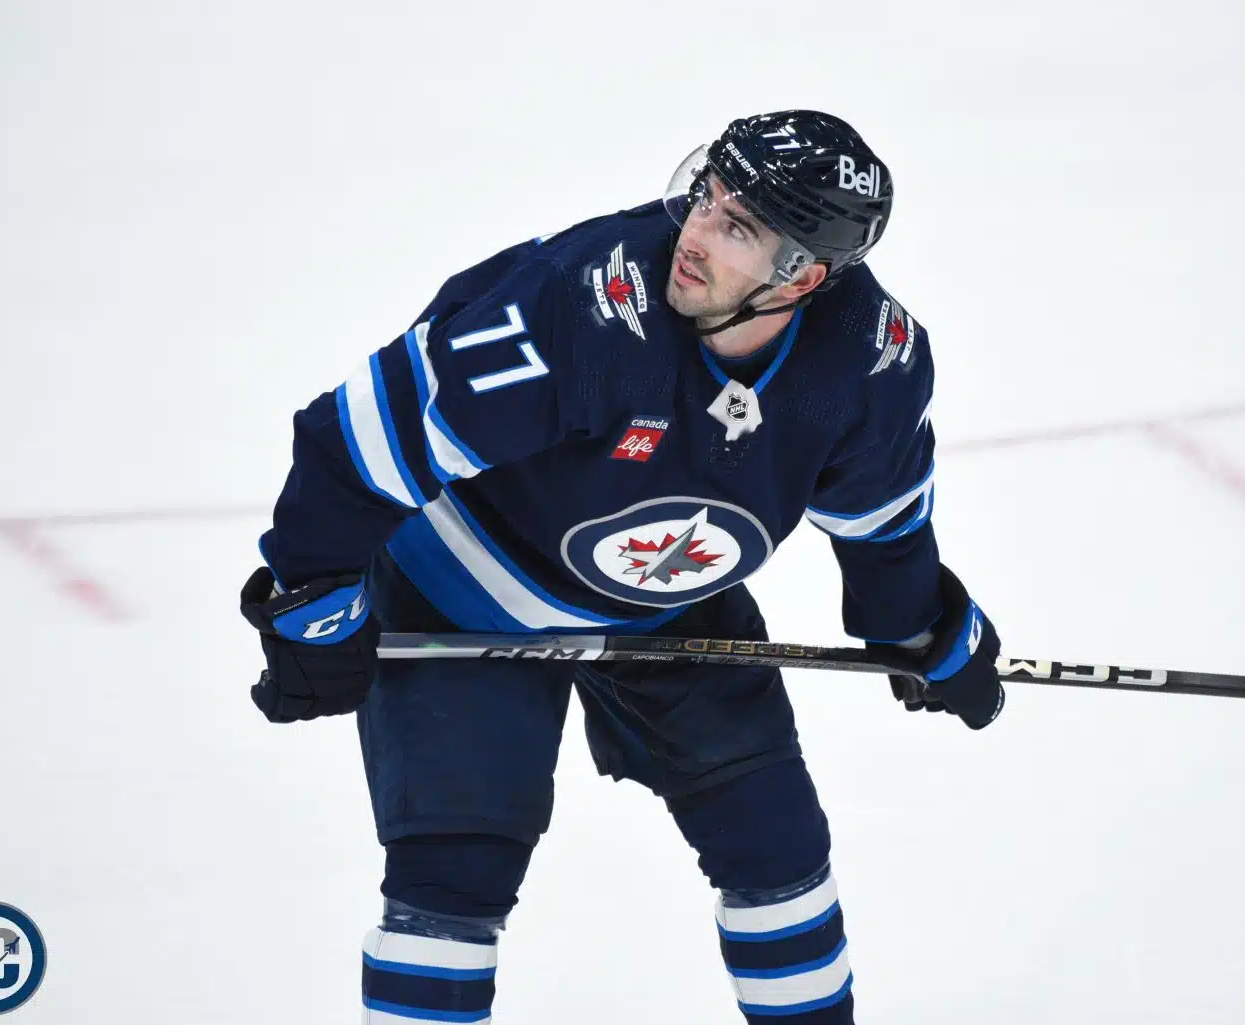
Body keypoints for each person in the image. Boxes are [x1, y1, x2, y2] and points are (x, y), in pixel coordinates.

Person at [240, 110, 1003, 1024]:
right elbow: (353, 442)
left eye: (738, 226)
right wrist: (313, 601)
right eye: (707, 194)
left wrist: (919, 625)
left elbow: (882, 520)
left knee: (778, 847)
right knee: (452, 882)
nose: (696, 232)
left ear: (803, 276)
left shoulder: (868, 361)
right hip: (462, 592)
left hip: (670, 602)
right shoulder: (575, 310)